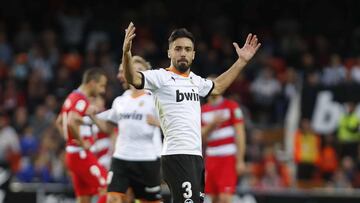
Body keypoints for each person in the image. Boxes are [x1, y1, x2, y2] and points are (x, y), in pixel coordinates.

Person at [121, 22, 260, 203]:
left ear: (193, 55)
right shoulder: (160, 77)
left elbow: (217, 87)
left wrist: (241, 62)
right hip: (176, 155)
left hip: (196, 157)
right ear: (169, 52)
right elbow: (133, 78)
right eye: (178, 49)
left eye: (187, 49)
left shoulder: (196, 81)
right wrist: (126, 53)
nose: (183, 53)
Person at [90, 56, 162, 203]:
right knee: (113, 199)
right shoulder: (120, 101)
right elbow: (108, 128)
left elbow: (174, 126)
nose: (135, 73)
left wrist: (158, 123)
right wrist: (93, 117)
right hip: (121, 157)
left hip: (147, 159)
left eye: (140, 70)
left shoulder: (155, 99)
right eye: (133, 70)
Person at [56, 68, 108, 203]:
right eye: (101, 85)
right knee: (108, 188)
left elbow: (60, 121)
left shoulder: (70, 97)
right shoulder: (81, 99)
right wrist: (81, 141)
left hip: (72, 154)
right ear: (91, 83)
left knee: (84, 198)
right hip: (81, 154)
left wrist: (69, 140)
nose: (102, 90)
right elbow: (72, 120)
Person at [201, 84, 246, 203]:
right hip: (211, 158)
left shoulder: (231, 106)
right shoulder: (202, 110)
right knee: (213, 198)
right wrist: (212, 125)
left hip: (228, 158)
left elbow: (240, 134)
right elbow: (200, 136)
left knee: (225, 198)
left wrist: (240, 159)